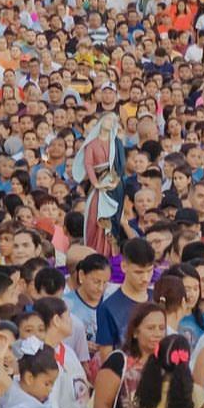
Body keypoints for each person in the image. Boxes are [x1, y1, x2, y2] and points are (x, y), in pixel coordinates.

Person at [72, 113, 126, 257]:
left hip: (114, 185)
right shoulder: (92, 144)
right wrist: (96, 183)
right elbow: (89, 164)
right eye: (108, 119)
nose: (110, 122)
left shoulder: (116, 143)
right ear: (101, 121)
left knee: (113, 218)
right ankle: (95, 250)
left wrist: (116, 180)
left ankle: (110, 252)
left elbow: (121, 164)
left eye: (114, 120)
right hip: (99, 185)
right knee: (94, 217)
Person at [95, 238, 154, 360]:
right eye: (138, 272)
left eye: (149, 271)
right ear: (124, 266)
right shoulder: (109, 308)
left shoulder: (158, 299)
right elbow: (106, 357)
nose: (145, 278)